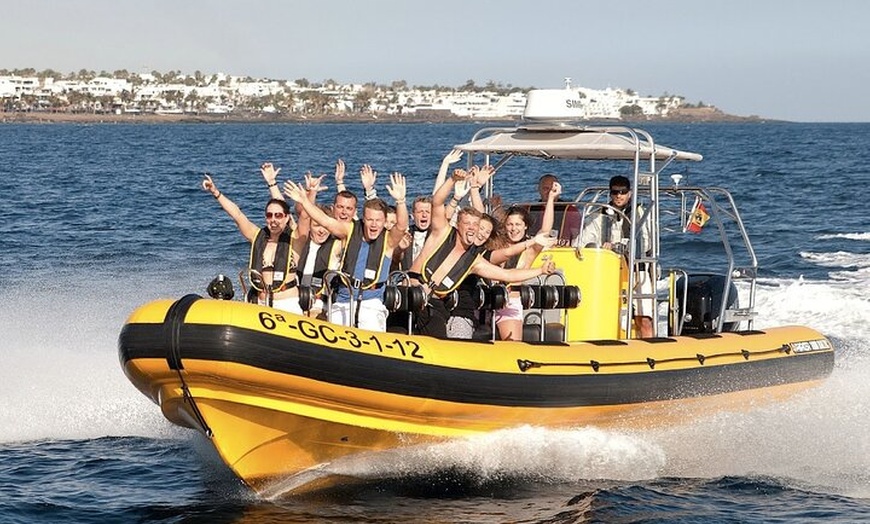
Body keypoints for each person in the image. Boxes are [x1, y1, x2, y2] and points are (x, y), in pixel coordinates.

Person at [407, 168, 558, 339]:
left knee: (448, 329)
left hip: (470, 304)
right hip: (422, 295)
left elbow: (507, 272)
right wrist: (455, 180)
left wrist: (541, 269)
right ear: (458, 225)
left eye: (476, 226)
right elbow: (438, 202)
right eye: (468, 224)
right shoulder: (445, 233)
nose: (473, 229)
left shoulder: (476, 260)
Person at [284, 168, 408, 332]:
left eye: (378, 220)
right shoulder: (349, 230)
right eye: (370, 220)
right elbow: (325, 221)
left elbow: (401, 225)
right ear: (363, 219)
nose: (373, 224)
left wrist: (401, 201)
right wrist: (305, 201)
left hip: (371, 304)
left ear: (384, 222)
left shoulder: (389, 241)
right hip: (344, 300)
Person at [202, 173, 306, 314]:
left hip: (287, 304)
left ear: (287, 217)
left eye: (278, 215)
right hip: (260, 303)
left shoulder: (295, 240)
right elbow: (237, 215)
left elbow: (305, 220)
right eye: (269, 215)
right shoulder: (257, 236)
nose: (273, 220)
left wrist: (305, 199)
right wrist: (215, 192)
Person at [578, 175, 654, 338]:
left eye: (623, 192)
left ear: (630, 193)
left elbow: (647, 242)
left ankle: (649, 350)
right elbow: (585, 239)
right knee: (609, 315)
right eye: (615, 192)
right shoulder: (599, 214)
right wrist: (596, 247)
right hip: (609, 273)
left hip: (637, 272)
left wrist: (620, 246)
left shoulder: (640, 213)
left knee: (645, 318)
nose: (619, 195)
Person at [492, 180, 561, 340]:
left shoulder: (530, 249)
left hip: (509, 304)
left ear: (525, 227)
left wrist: (550, 199)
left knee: (512, 345)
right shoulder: (497, 245)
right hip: (488, 299)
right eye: (510, 224)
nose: (513, 228)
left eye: (517, 224)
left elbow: (545, 231)